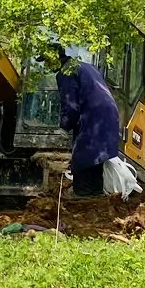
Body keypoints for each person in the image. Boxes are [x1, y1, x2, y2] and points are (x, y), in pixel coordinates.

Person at [48, 44, 121, 198]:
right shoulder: (86, 66)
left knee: (81, 158)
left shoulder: (66, 72)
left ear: (55, 58)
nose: (46, 65)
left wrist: (64, 126)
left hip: (94, 115)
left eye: (47, 61)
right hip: (108, 113)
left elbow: (71, 104)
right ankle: (95, 195)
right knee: (95, 157)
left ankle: (82, 197)